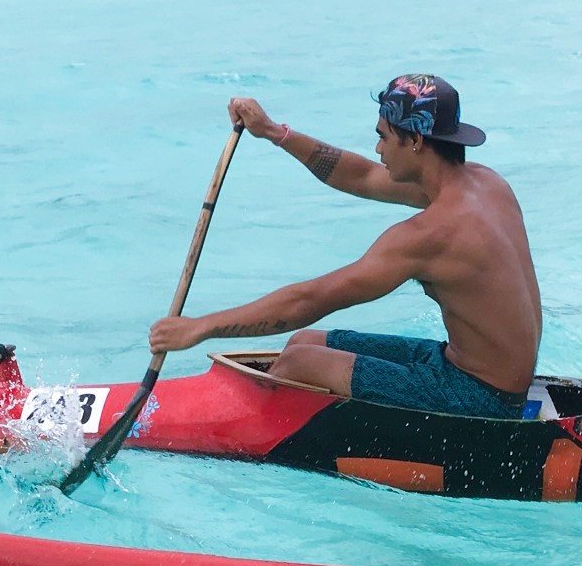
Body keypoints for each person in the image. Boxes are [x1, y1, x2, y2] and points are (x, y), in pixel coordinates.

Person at [147, 74, 542, 418]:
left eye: (383, 137)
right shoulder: (486, 184)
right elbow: (363, 177)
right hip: (469, 369)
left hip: (479, 399)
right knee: (305, 342)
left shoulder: (429, 237)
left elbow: (310, 300)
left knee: (299, 361)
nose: (378, 150)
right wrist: (273, 132)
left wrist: (200, 328)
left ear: (417, 140)